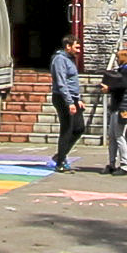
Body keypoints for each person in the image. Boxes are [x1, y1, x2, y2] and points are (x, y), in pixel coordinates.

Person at [49, 32, 88, 169]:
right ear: (68, 46)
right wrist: (69, 102)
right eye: (76, 47)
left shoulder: (70, 59)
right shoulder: (59, 60)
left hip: (73, 97)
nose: (79, 51)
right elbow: (61, 83)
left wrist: (78, 99)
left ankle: (61, 154)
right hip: (62, 98)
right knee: (67, 129)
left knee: (79, 128)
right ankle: (60, 162)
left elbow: (73, 82)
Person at [102, 42, 127, 173]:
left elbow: (121, 87)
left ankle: (124, 165)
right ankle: (112, 164)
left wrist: (109, 89)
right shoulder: (126, 71)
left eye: (118, 58)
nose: (117, 60)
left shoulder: (126, 71)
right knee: (112, 136)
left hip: (122, 107)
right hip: (118, 106)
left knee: (119, 136)